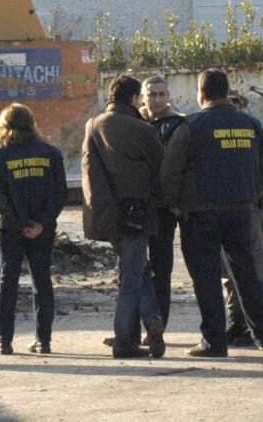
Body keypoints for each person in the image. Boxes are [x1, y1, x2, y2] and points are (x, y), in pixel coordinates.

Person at [161, 69, 263, 357]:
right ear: (226, 92)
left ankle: (214, 341)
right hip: (242, 212)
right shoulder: (251, 124)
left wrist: (174, 203)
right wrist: (251, 195)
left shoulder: (190, 126)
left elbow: (170, 171)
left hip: (200, 214)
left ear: (201, 94)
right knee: (247, 275)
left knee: (207, 279)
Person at [82, 74, 165, 359]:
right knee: (132, 277)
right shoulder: (143, 129)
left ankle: (151, 316)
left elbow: (88, 172)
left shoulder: (93, 126)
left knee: (137, 269)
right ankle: (124, 341)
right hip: (137, 214)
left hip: (107, 216)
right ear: (133, 98)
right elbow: (160, 168)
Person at [0, 103, 67, 356]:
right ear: (32, 123)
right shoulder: (51, 154)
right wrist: (41, 223)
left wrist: (19, 224)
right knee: (42, 282)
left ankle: (4, 341)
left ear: (3, 126)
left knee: (8, 282)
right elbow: (60, 193)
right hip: (42, 230)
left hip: (9, 230)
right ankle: (44, 341)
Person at [221, 89, 263, 348]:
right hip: (225, 210)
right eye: (228, 101)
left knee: (255, 268)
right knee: (229, 272)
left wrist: (250, 193)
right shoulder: (216, 132)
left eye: (235, 102)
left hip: (252, 209)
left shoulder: (253, 129)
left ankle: (258, 324)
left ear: (241, 105)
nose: (231, 107)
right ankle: (238, 324)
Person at [140, 75, 185, 329]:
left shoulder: (178, 124)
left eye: (161, 94)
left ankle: (158, 326)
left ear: (168, 97)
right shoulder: (134, 123)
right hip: (138, 206)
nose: (156, 99)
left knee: (161, 269)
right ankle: (134, 328)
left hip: (165, 209)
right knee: (134, 270)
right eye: (151, 94)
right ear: (143, 97)